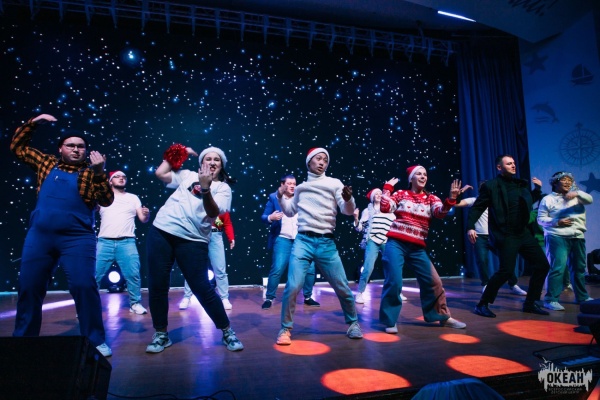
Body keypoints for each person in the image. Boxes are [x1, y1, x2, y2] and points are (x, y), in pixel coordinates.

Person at [10, 114, 113, 357]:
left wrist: (100, 172)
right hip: (40, 237)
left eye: (81, 146)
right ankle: (23, 341)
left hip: (77, 238)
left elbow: (106, 200)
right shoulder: (46, 164)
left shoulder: (91, 173)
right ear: (61, 148)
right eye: (71, 145)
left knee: (83, 285)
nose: (76, 150)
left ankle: (94, 339)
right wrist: (33, 123)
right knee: (29, 287)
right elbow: (18, 148)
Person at [146, 144, 243, 353]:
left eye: (217, 159)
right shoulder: (188, 175)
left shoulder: (223, 189)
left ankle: (227, 330)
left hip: (193, 239)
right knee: (157, 285)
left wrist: (206, 188)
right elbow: (160, 173)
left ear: (222, 165)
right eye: (208, 158)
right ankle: (161, 334)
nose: (212, 162)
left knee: (202, 287)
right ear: (201, 163)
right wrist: (179, 152)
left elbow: (213, 212)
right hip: (162, 231)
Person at [276, 148, 362, 345]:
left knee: (342, 285)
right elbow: (290, 212)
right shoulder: (301, 188)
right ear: (309, 162)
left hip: (326, 242)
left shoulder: (334, 183)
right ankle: (285, 328)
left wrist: (349, 199)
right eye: (318, 159)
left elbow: (347, 211)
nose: (322, 162)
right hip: (303, 241)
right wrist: (280, 197)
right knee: (293, 286)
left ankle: (353, 324)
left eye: (325, 160)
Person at [379, 166, 467, 333]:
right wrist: (387, 189)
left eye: (425, 174)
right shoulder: (401, 194)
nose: (422, 176)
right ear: (411, 178)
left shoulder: (431, 198)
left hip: (417, 247)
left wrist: (451, 198)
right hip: (396, 243)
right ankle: (389, 321)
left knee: (434, 282)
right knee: (394, 281)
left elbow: (440, 213)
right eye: (418, 174)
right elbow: (385, 208)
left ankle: (442, 317)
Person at [468, 155, 550, 318]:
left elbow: (527, 202)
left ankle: (530, 303)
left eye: (514, 163)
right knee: (505, 271)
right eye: (509, 163)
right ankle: (482, 304)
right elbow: (477, 207)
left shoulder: (520, 185)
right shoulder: (491, 186)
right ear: (499, 167)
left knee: (542, 265)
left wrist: (537, 190)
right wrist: (470, 227)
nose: (513, 165)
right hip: (507, 234)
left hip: (523, 233)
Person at [455, 181, 528, 296]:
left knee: (506, 259)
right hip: (479, 236)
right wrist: (460, 192)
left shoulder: (497, 202)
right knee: (482, 260)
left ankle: (513, 284)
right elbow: (456, 204)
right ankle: (486, 284)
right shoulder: (475, 200)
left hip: (495, 235)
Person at [261, 175, 320, 310]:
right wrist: (271, 217)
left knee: (310, 268)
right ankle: (269, 298)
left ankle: (308, 297)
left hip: (301, 238)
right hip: (283, 238)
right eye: (289, 183)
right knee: (277, 268)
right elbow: (263, 217)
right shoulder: (274, 197)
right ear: (282, 184)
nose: (292, 186)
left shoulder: (301, 197)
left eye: (294, 183)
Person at [95, 170, 150, 315]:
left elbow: (143, 219)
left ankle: (135, 304)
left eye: (124, 177)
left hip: (127, 242)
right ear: (110, 181)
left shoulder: (133, 198)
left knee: (133, 274)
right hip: (104, 242)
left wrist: (146, 214)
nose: (121, 178)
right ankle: (87, 306)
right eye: (117, 176)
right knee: (94, 275)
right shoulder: (102, 197)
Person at [538, 171, 594, 310]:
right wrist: (557, 222)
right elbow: (541, 219)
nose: (568, 182)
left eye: (570, 180)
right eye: (564, 180)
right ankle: (551, 299)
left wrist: (577, 193)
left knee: (579, 268)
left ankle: (582, 297)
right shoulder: (548, 199)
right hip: (556, 236)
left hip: (577, 236)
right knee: (558, 268)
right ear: (555, 182)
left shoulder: (577, 196)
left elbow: (590, 200)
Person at [353, 188, 402, 304]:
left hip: (387, 241)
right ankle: (360, 293)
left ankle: (396, 292)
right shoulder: (368, 211)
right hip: (373, 240)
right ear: (372, 197)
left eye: (381, 193)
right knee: (368, 267)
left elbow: (396, 224)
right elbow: (360, 228)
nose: (379, 195)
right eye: (376, 194)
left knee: (393, 267)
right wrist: (356, 218)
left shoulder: (389, 209)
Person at [179, 212, 235, 310]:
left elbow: (226, 222)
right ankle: (187, 297)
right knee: (193, 268)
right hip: (199, 235)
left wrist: (231, 238)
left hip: (215, 235)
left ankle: (224, 298)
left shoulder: (221, 205)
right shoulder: (198, 203)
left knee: (220, 269)